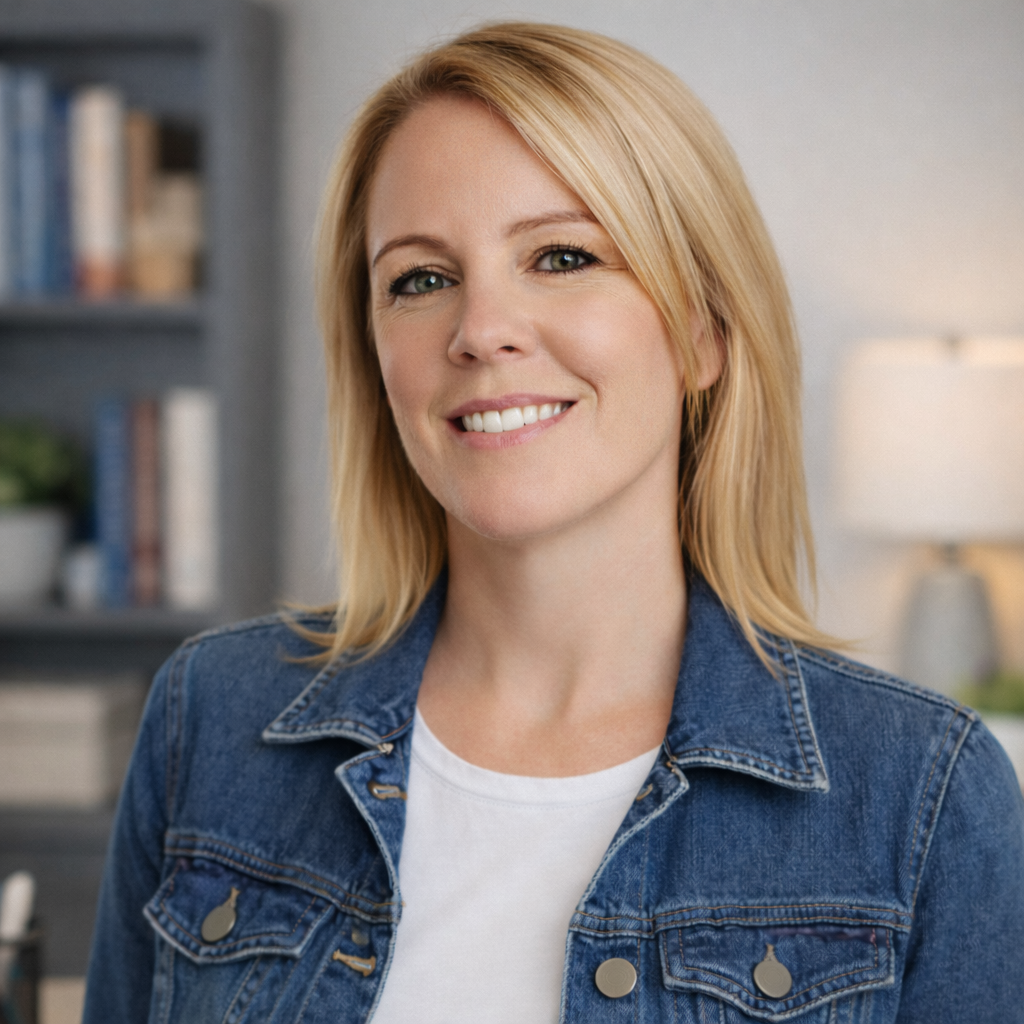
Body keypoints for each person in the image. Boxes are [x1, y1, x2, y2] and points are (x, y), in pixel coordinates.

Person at [83, 22, 1023, 1024]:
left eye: (563, 255)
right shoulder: (209, 720)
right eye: (420, 278)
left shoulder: (922, 794)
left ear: (701, 330)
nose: (480, 328)